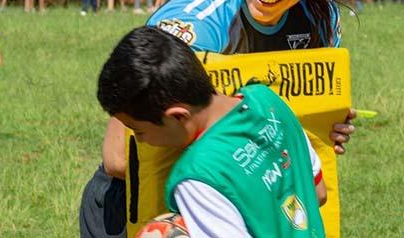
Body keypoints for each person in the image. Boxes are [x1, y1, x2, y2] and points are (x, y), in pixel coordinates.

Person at [80, 0, 356, 235]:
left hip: (251, 204)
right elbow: (117, 158)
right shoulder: (189, 26)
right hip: (140, 208)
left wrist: (323, 128)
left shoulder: (322, 21)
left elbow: (298, 133)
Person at [97, 26, 327, 237]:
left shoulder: (196, 178)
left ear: (177, 116)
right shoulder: (268, 101)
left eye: (138, 131)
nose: (140, 140)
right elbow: (318, 193)